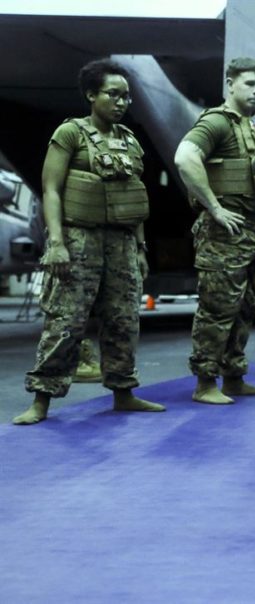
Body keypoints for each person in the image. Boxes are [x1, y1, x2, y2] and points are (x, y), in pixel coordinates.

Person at [14, 58, 164, 425]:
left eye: (127, 96)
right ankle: (42, 401)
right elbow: (51, 189)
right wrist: (56, 242)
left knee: (124, 320)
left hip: (123, 242)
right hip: (80, 239)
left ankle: (123, 393)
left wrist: (141, 248)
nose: (122, 102)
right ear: (91, 95)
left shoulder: (129, 140)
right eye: (113, 95)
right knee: (66, 321)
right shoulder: (70, 134)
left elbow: (134, 198)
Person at [174, 57, 255, 404]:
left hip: (252, 230)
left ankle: (233, 376)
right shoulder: (217, 123)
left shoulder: (253, 127)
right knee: (217, 308)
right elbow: (185, 157)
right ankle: (205, 383)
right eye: (250, 84)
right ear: (230, 84)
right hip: (224, 234)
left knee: (246, 306)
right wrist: (215, 207)